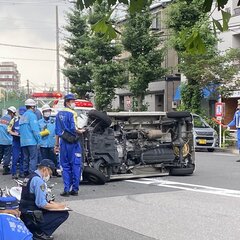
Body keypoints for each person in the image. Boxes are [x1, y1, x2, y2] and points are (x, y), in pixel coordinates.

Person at [19, 159, 69, 240]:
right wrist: (60, 207)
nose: (49, 176)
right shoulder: (39, 181)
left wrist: (56, 205)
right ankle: (38, 233)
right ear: (45, 169)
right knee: (63, 214)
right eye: (50, 173)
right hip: (32, 215)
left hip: (25, 212)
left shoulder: (29, 177)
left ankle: (34, 230)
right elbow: (41, 204)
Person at [55, 93, 83, 197]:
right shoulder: (73, 113)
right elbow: (74, 128)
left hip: (63, 143)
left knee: (65, 166)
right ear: (67, 102)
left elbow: (57, 132)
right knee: (75, 165)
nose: (74, 103)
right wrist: (82, 131)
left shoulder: (58, 114)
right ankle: (75, 189)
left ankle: (66, 189)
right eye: (72, 101)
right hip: (74, 143)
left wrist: (56, 145)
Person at [19, 99, 41, 176]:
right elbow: (35, 130)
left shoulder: (22, 116)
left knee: (26, 158)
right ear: (32, 106)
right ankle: (32, 174)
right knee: (33, 158)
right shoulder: (32, 115)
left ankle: (25, 172)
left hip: (23, 142)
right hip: (32, 141)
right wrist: (39, 140)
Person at [38, 104, 60, 177]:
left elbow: (57, 131)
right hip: (43, 144)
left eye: (48, 111)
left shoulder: (54, 121)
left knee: (53, 159)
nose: (47, 112)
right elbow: (37, 133)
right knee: (44, 160)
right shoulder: (39, 122)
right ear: (43, 112)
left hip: (52, 143)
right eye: (45, 111)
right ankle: (45, 173)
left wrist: (57, 144)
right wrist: (43, 133)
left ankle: (54, 171)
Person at [8, 106, 27, 179]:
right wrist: (14, 134)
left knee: (23, 157)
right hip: (16, 141)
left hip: (24, 141)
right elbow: (9, 129)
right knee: (15, 157)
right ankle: (14, 173)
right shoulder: (14, 120)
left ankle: (22, 172)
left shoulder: (27, 120)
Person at [0, 106, 16, 175]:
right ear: (12, 113)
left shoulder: (1, 118)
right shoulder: (12, 120)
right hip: (8, 141)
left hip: (0, 140)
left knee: (0, 154)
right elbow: (12, 130)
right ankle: (5, 169)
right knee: (7, 155)